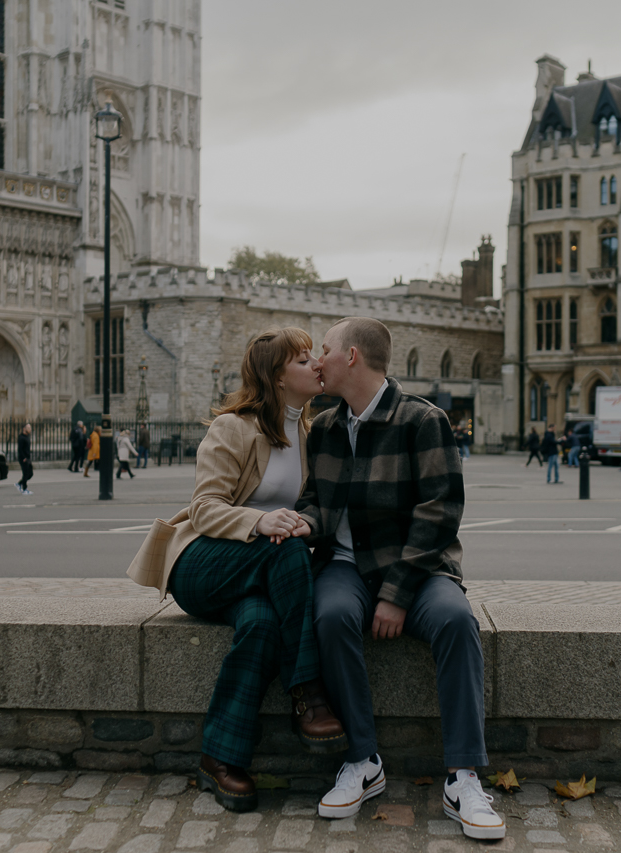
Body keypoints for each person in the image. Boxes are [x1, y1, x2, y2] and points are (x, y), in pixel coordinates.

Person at [299, 317, 505, 841]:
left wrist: (394, 595)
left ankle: (463, 777)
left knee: (458, 622)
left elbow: (439, 512)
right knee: (330, 616)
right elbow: (316, 504)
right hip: (345, 567)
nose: (316, 360)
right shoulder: (322, 427)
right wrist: (298, 523)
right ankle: (363, 759)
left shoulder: (422, 420)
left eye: (323, 349)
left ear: (351, 357)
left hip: (415, 568)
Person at [127, 327, 347, 813]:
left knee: (262, 625)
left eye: (315, 355)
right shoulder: (235, 427)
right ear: (276, 377)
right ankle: (308, 692)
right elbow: (204, 508)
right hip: (203, 564)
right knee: (284, 548)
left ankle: (219, 759)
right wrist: (261, 519)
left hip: (261, 576)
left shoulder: (312, 434)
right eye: (302, 358)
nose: (315, 363)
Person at [16, 423, 33, 494]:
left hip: (27, 458)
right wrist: (23, 458)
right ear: (24, 429)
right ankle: (24, 489)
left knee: (30, 473)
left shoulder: (27, 437)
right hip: (23, 458)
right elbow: (20, 449)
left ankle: (19, 483)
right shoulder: (21, 438)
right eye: (28, 428)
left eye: (30, 428)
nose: (30, 429)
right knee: (25, 473)